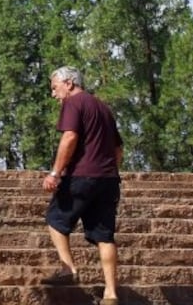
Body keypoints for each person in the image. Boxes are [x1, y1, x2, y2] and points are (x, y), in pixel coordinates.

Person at [42, 66, 123, 305]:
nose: (54, 94)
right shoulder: (104, 108)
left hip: (82, 175)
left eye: (55, 88)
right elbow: (118, 148)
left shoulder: (74, 103)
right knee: (105, 236)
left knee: (55, 220)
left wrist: (55, 173)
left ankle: (69, 269)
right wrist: (109, 170)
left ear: (69, 83)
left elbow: (69, 137)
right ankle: (111, 293)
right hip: (108, 179)